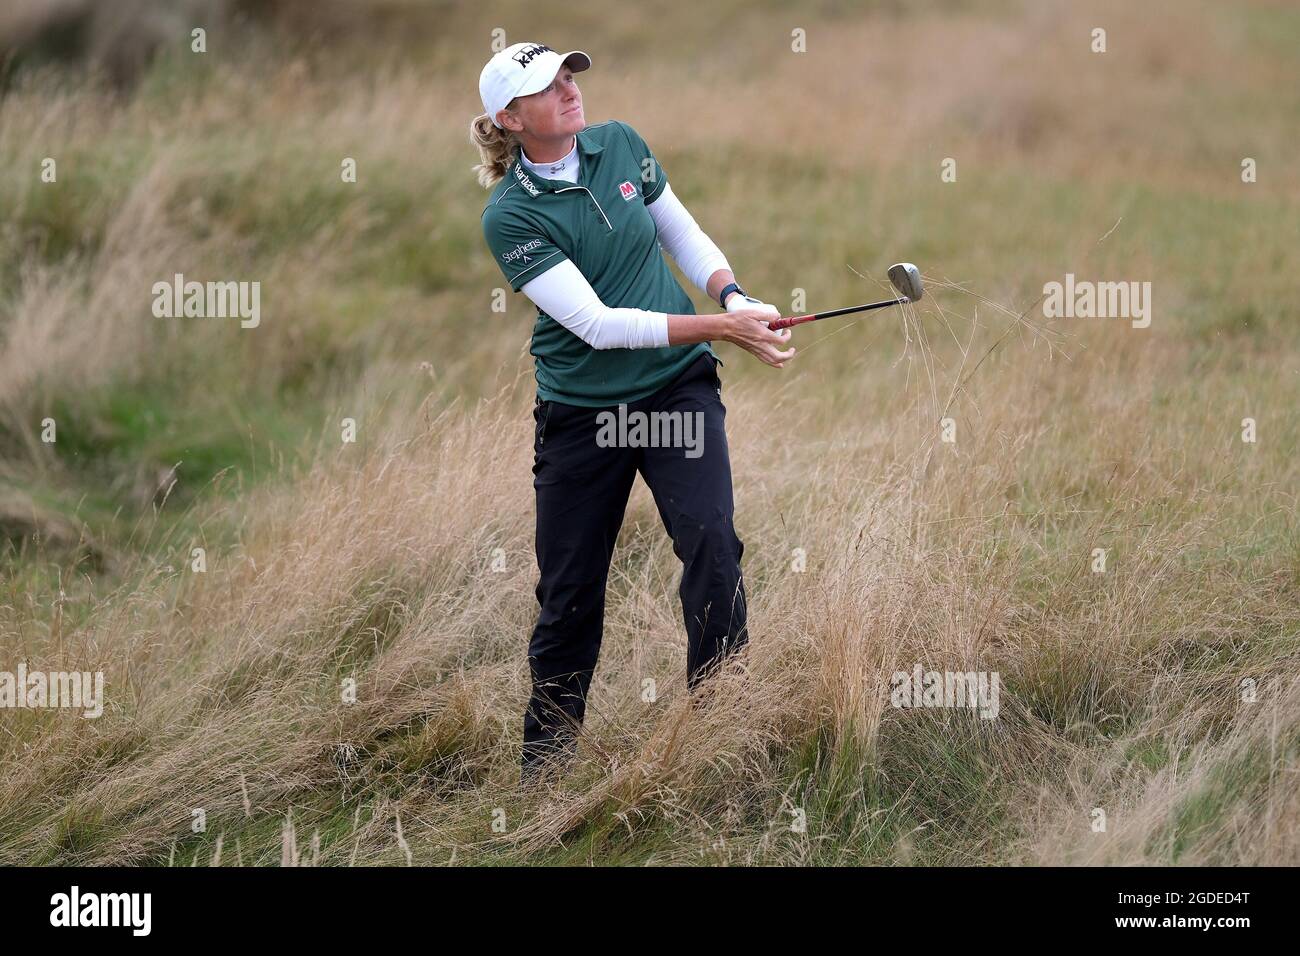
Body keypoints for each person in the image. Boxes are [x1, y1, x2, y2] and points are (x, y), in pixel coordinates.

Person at [470, 41, 796, 781]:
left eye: (567, 76)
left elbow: (680, 231)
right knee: (569, 596)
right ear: (511, 119)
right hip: (584, 414)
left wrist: (734, 298)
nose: (568, 90)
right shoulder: (511, 215)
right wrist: (723, 330)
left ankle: (723, 743)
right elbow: (597, 325)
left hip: (674, 387)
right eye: (545, 88)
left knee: (712, 544)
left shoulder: (620, 144)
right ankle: (545, 777)